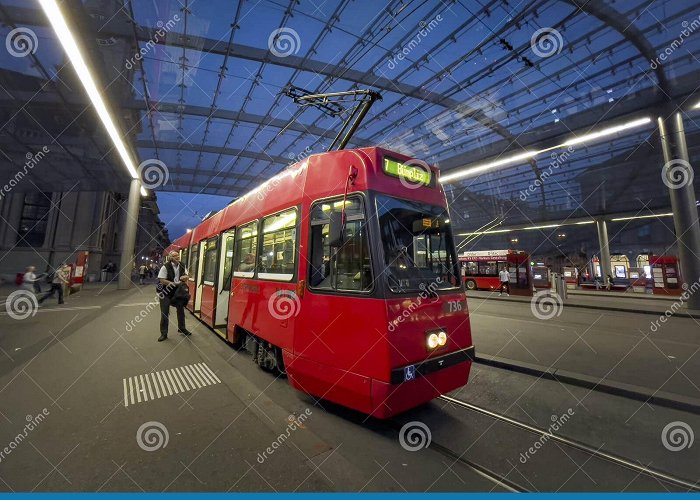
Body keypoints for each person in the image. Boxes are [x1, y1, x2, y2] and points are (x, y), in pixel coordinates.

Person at [157, 251, 191, 342]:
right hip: (165, 293)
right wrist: (174, 284)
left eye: (178, 256)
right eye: (175, 256)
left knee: (181, 310)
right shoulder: (165, 267)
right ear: (171, 258)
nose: (178, 257)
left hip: (177, 292)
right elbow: (162, 280)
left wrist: (185, 277)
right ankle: (163, 333)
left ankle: (182, 329)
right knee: (165, 312)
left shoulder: (182, 265)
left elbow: (187, 275)